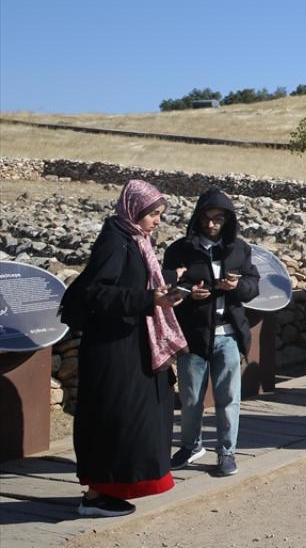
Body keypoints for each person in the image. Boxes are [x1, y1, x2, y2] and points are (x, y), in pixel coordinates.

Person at [60, 179, 185, 517]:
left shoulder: (135, 239)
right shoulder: (115, 241)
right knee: (113, 420)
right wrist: (150, 299)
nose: (158, 220)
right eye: (153, 214)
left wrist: (165, 291)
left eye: (160, 214)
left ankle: (114, 488)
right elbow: (97, 293)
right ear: (135, 210)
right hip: (113, 351)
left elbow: (132, 282)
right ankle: (96, 495)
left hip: (132, 344)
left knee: (135, 421)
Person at [164, 188, 261, 478]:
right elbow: (166, 287)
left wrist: (237, 287)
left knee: (228, 397)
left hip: (228, 335)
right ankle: (190, 446)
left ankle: (226, 452)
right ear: (197, 218)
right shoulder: (180, 249)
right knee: (191, 398)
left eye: (218, 219)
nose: (211, 225)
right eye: (206, 219)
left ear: (228, 220)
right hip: (193, 335)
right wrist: (188, 292)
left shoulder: (239, 249)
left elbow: (253, 285)